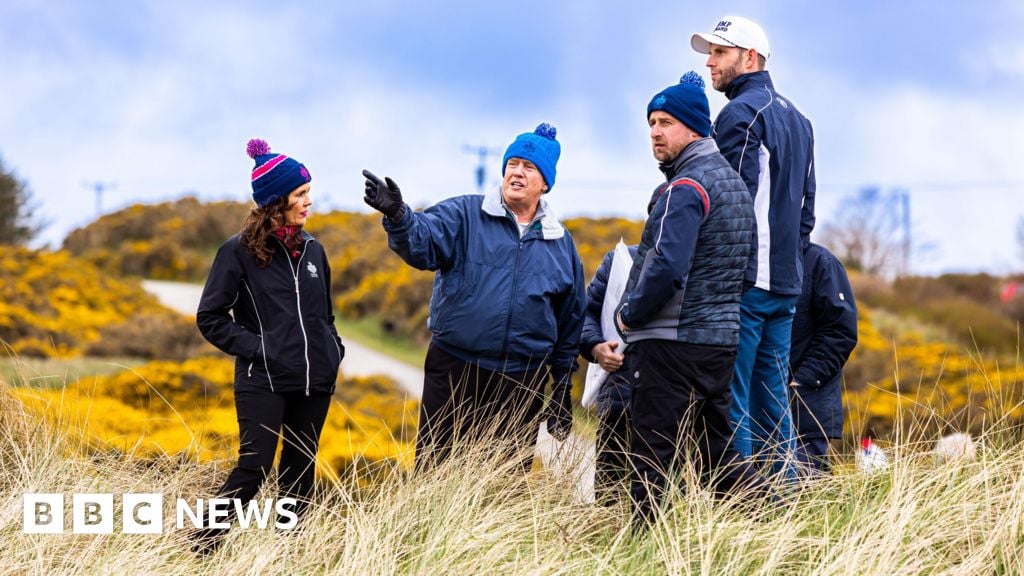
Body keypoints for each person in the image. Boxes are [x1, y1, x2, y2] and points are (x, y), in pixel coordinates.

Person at [361, 123, 586, 473]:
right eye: (512, 163)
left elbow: (570, 319)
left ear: (545, 183)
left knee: (503, 481)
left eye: (529, 167)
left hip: (520, 381)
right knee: (435, 471)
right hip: (455, 369)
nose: (517, 172)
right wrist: (399, 217)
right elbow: (424, 242)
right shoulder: (465, 214)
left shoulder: (561, 243)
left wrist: (561, 385)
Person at [615, 72, 772, 525]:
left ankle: (642, 548)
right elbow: (747, 267)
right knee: (717, 456)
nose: (655, 133)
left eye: (666, 122)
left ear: (694, 128)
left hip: (669, 343)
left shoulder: (684, 187)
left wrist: (629, 315)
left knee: (651, 454)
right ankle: (774, 521)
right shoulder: (734, 187)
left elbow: (665, 265)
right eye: (651, 123)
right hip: (719, 343)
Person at [193, 138, 344, 552]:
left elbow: (325, 316)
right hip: (263, 380)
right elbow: (209, 318)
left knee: (299, 474)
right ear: (277, 201)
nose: (308, 201)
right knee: (254, 469)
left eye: (308, 192)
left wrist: (333, 350)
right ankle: (201, 545)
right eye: (300, 194)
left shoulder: (315, 250)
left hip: (313, 382)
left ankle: (287, 553)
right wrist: (261, 349)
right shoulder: (236, 253)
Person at [692, 16, 817, 473]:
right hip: (784, 284)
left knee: (736, 399)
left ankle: (744, 505)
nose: (709, 62)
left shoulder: (740, 114)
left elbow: (729, 204)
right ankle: (782, 497)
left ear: (750, 57)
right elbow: (807, 217)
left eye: (719, 52)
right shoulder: (800, 121)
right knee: (773, 400)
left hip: (745, 283)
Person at [789, 237, 857, 474]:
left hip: (809, 408)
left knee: (804, 490)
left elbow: (841, 333)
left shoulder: (821, 262)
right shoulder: (758, 263)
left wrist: (803, 379)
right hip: (764, 406)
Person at [579, 244, 637, 505]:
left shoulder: (704, 265)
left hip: (676, 407)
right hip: (618, 401)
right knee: (609, 499)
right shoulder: (620, 260)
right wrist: (595, 346)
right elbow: (586, 313)